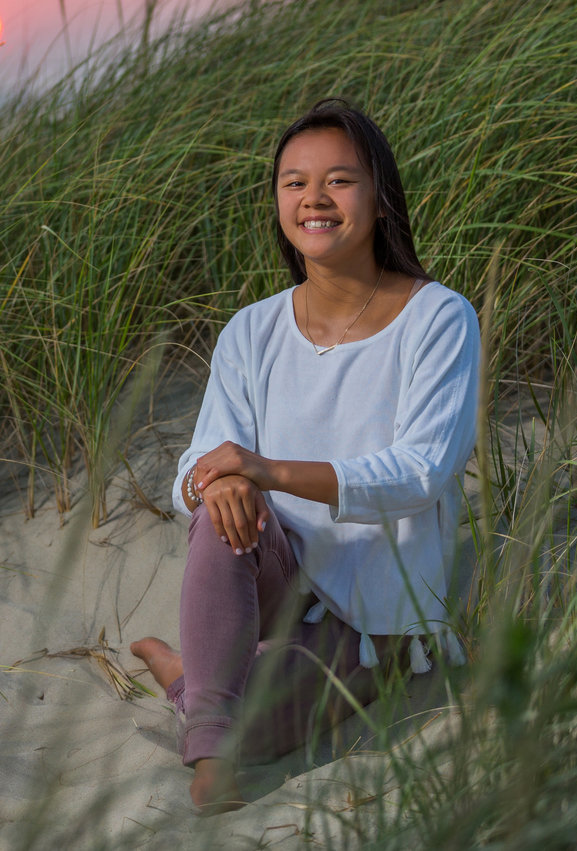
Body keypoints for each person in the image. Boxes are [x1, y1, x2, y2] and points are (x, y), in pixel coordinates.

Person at [130, 98, 480, 812]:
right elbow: (194, 467)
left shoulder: (438, 317)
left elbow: (420, 473)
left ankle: (185, 672)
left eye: (339, 180)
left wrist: (267, 468)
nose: (314, 198)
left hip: (373, 621)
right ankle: (209, 755)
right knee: (220, 493)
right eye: (294, 182)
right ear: (278, 202)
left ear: (380, 199)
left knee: (255, 721)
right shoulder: (252, 329)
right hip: (274, 577)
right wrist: (222, 476)